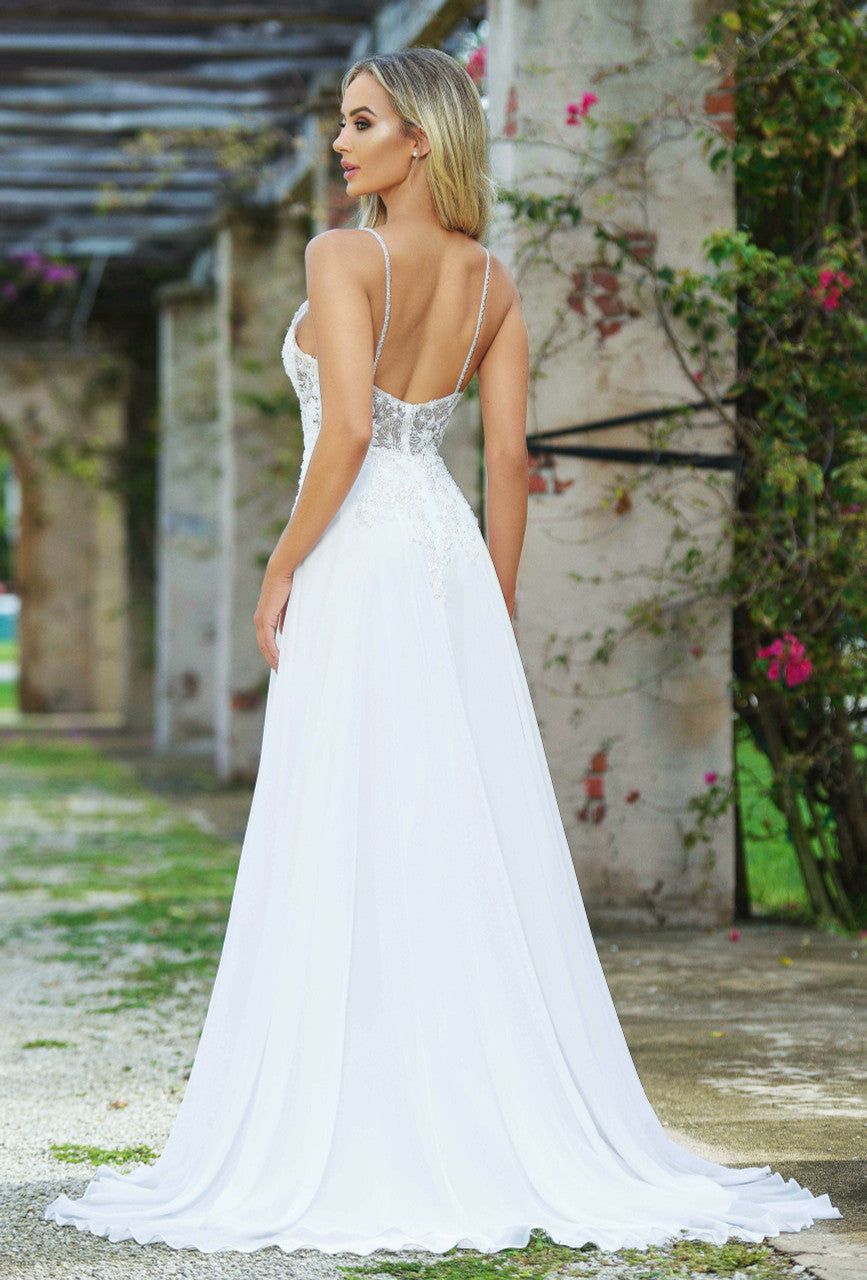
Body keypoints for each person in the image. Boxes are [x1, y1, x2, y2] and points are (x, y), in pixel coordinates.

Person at [44, 46, 839, 1257]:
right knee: (450, 822)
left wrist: (280, 563)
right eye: (341, 124)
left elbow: (352, 426)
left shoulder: (341, 255)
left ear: (422, 138)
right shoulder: (491, 282)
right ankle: (476, 1097)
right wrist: (490, 607)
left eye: (362, 123)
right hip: (448, 559)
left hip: (360, 555)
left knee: (348, 817)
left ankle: (360, 1104)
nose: (340, 144)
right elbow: (509, 465)